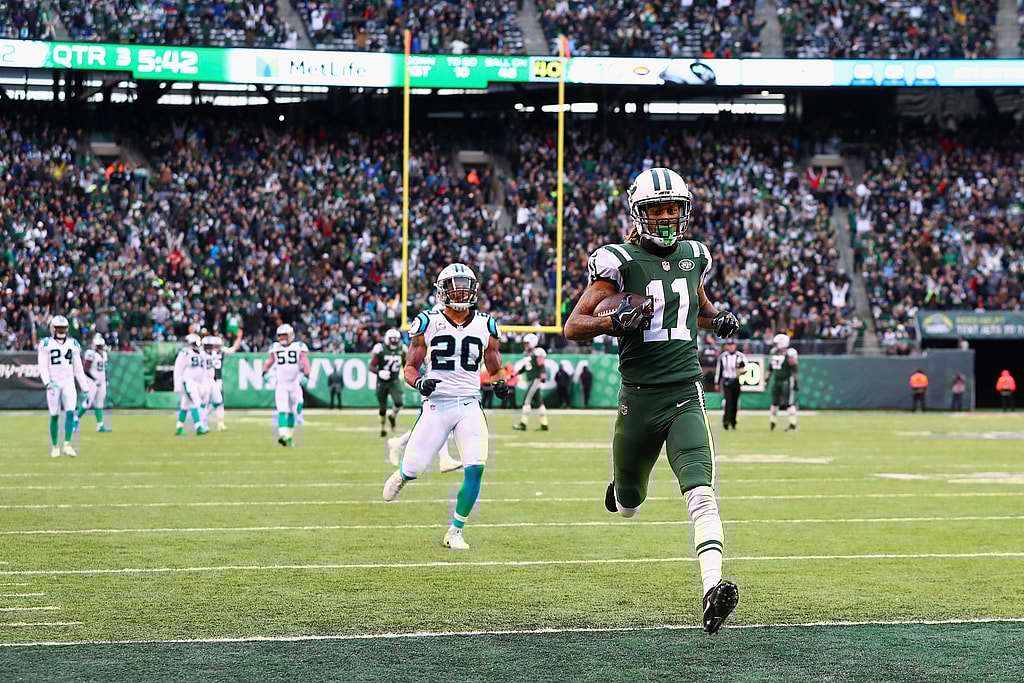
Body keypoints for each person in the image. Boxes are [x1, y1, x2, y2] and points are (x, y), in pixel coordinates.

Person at [562, 167, 740, 635]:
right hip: (638, 400)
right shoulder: (618, 261)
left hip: (685, 391)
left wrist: (718, 318)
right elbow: (573, 325)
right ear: (638, 214)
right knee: (629, 502)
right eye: (655, 209)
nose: (665, 217)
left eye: (672, 209)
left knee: (701, 492)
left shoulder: (694, 255)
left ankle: (712, 587)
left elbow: (697, 305)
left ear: (684, 211)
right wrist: (612, 320)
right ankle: (620, 489)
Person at [382, 263, 513, 551]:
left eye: (466, 285)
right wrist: (419, 384)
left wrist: (500, 382)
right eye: (455, 285)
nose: (461, 291)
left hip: (469, 404)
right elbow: (410, 368)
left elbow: (494, 365)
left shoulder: (486, 325)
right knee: (415, 467)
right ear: (442, 291)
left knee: (475, 468)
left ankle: (455, 531)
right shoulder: (426, 322)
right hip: (436, 406)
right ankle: (403, 473)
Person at [38, 315, 89, 457]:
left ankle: (67, 444)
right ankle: (55, 446)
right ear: (53, 329)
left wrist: (85, 387)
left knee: (70, 413)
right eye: (59, 328)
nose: (61, 330)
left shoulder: (73, 344)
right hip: (54, 383)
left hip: (68, 382)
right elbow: (42, 367)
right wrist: (47, 382)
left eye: (63, 328)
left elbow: (78, 368)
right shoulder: (46, 344)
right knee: (54, 414)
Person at [262, 323, 310, 447]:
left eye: (284, 336)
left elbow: (305, 362)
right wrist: (264, 372)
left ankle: (288, 436)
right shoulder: (275, 347)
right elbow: (270, 361)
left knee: (294, 410)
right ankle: (283, 435)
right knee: (282, 410)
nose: (282, 339)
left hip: (294, 383)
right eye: (280, 336)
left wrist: (306, 375)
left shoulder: (299, 346)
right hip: (282, 383)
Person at [369, 328, 405, 437]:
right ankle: (383, 427)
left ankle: (392, 416)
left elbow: (406, 365)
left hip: (394, 380)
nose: (394, 341)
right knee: (382, 408)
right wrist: (379, 372)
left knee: (399, 402)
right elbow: (371, 366)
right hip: (382, 382)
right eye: (392, 339)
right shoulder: (381, 349)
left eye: (396, 339)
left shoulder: (402, 349)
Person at [173, 333, 209, 436]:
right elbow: (178, 369)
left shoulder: (202, 353)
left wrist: (204, 382)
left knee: (185, 405)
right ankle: (199, 426)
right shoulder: (185, 353)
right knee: (195, 401)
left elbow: (204, 369)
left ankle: (179, 427)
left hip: (197, 382)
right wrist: (177, 385)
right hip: (188, 381)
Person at [513, 333, 549, 431]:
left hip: (535, 379)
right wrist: (515, 374)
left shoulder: (538, 352)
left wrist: (543, 376)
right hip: (531, 380)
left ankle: (523, 424)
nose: (525, 345)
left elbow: (541, 365)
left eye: (527, 343)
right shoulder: (527, 353)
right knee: (539, 402)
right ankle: (544, 424)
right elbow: (526, 367)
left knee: (526, 400)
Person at [205, 333, 241, 430]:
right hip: (208, 379)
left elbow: (233, 349)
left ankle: (219, 422)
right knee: (208, 401)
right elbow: (233, 349)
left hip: (217, 380)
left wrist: (239, 337)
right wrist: (239, 338)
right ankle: (203, 421)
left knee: (219, 401)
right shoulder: (206, 353)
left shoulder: (219, 352)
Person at [76, 334, 112, 433]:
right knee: (88, 403)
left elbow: (103, 370)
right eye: (99, 346)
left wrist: (105, 379)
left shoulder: (104, 354)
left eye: (101, 346)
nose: (100, 348)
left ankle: (100, 425)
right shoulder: (90, 354)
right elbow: (85, 369)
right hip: (92, 382)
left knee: (99, 404)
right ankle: (75, 421)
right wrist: (94, 379)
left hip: (101, 381)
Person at [766, 333, 799, 431]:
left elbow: (794, 368)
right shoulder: (773, 352)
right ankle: (772, 421)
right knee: (774, 402)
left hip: (786, 380)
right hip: (776, 380)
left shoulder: (790, 352)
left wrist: (795, 381)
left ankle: (792, 423)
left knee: (789, 403)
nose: (775, 345)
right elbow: (769, 368)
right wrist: (766, 380)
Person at [715, 339, 747, 430]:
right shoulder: (723, 357)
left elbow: (746, 367)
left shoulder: (740, 356)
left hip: (736, 381)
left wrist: (742, 370)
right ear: (727, 346)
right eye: (729, 345)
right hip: (727, 381)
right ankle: (726, 421)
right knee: (728, 401)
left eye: (732, 345)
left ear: (735, 346)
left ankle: (733, 421)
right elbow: (719, 370)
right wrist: (717, 383)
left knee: (735, 402)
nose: (731, 346)